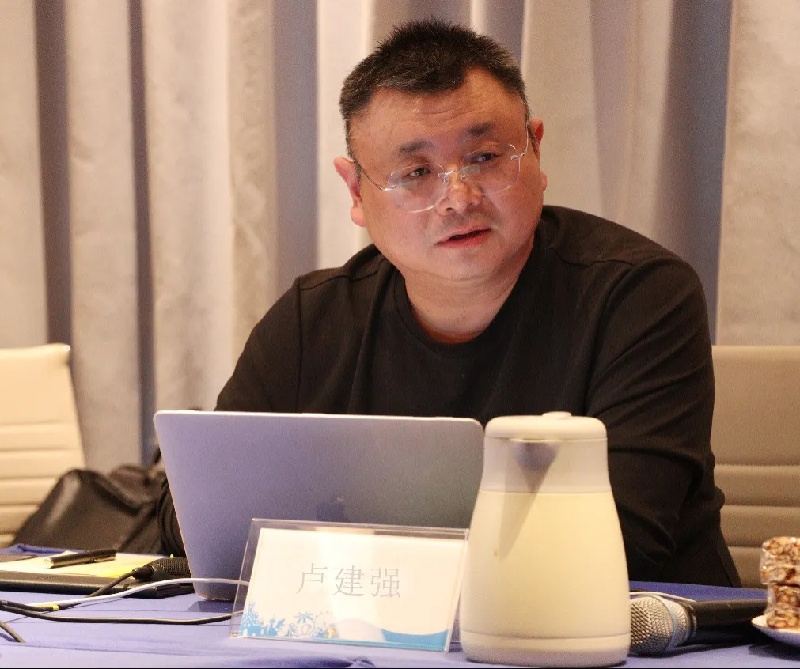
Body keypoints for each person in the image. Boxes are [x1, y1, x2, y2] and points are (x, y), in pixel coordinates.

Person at [158, 19, 740, 587]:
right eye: (416, 172)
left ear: (535, 151)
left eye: (485, 158)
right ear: (356, 191)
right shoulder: (312, 320)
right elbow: (192, 521)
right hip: (358, 627)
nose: (458, 199)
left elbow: (623, 542)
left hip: (632, 634)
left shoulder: (639, 295)